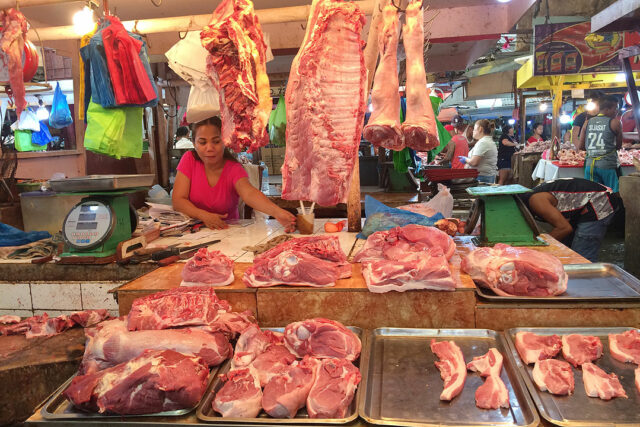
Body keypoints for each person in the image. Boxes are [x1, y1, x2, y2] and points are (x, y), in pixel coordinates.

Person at [172, 116, 296, 231]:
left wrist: (277, 212)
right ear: (194, 143)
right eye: (202, 142)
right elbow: (178, 200)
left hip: (227, 232)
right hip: (193, 232)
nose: (209, 148)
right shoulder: (189, 159)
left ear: (225, 142)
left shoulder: (233, 168)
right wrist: (204, 216)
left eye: (216, 141)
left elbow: (249, 193)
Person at [518, 178, 621, 262]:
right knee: (567, 250)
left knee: (581, 257)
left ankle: (586, 279)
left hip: (599, 201)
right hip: (583, 205)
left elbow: (564, 228)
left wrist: (538, 249)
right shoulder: (528, 198)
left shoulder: (536, 201)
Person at [577, 95, 622, 192]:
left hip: (590, 166)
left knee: (593, 194)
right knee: (613, 194)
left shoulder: (587, 123)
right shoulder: (615, 123)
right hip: (608, 166)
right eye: (615, 108)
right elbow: (618, 146)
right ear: (607, 109)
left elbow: (581, 146)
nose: (617, 111)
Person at [459, 119, 498, 184]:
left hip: (482, 177)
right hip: (486, 176)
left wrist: (465, 159)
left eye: (474, 129)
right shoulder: (486, 141)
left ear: (480, 129)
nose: (473, 131)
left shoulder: (483, 142)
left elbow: (474, 162)